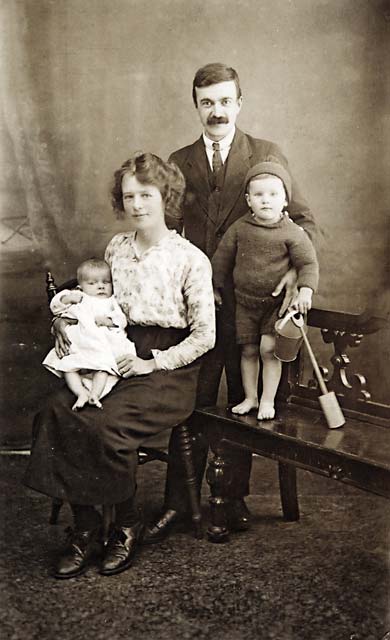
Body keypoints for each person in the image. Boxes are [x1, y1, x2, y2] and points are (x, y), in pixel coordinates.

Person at [143, 62, 317, 543]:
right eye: (206, 102)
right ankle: (181, 503)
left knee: (245, 399)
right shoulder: (178, 160)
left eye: (224, 101)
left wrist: (290, 271)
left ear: (239, 102)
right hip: (197, 305)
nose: (216, 111)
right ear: (195, 106)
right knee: (194, 401)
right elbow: (163, 228)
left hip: (254, 305)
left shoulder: (266, 154)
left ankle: (232, 497)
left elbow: (305, 223)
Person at [24, 152, 215, 579]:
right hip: (114, 351)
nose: (137, 205)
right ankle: (88, 527)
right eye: (129, 196)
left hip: (166, 367)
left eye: (146, 194)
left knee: (105, 422)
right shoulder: (117, 248)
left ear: (166, 197)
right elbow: (96, 301)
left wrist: (153, 363)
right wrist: (62, 318)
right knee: (59, 408)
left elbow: (205, 336)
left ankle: (126, 524)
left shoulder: (190, 259)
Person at [212, 161, 319, 420]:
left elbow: (308, 263)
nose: (266, 201)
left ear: (285, 200)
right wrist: (213, 287)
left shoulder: (293, 233)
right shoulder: (239, 228)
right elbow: (221, 260)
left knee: (268, 350)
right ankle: (251, 397)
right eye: (258, 195)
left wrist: (305, 291)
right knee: (248, 350)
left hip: (275, 306)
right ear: (248, 200)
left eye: (273, 195)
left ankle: (267, 401)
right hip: (245, 304)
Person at [43, 258, 136, 411]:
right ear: (80, 287)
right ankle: (81, 393)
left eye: (106, 282)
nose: (100, 286)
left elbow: (121, 319)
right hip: (82, 341)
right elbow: (56, 306)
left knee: (103, 367)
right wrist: (68, 298)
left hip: (103, 342)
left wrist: (109, 321)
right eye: (92, 283)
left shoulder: (111, 302)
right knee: (69, 366)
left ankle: (95, 394)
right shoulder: (79, 297)